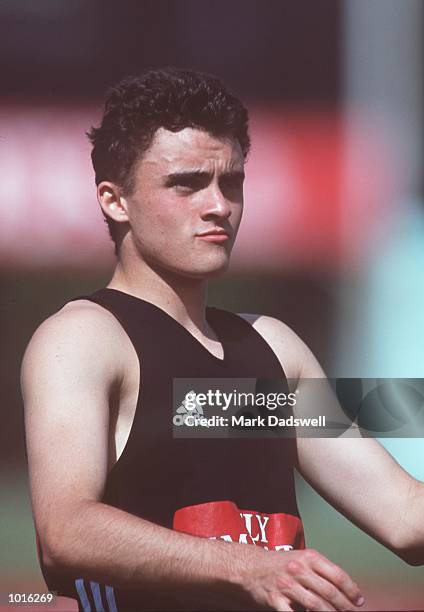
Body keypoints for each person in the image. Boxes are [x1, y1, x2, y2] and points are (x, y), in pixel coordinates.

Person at [22, 68, 423, 612]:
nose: (219, 206)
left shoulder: (275, 347)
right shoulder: (82, 339)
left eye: (230, 181)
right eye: (186, 183)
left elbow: (404, 517)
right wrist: (250, 569)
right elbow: (65, 534)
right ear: (115, 201)